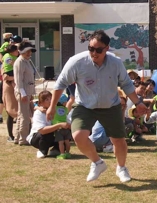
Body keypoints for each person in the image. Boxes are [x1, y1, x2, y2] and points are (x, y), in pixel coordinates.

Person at [46, 30, 148, 183]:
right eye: (91, 48)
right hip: (85, 106)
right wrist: (52, 106)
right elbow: (60, 84)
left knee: (119, 140)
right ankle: (97, 163)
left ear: (107, 48)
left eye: (98, 50)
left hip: (110, 106)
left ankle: (121, 168)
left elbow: (126, 84)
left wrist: (138, 103)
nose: (94, 53)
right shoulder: (77, 62)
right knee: (78, 136)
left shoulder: (115, 63)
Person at [28, 91, 71, 158]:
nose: (50, 101)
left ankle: (56, 150)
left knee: (66, 132)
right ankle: (42, 151)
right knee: (47, 132)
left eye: (51, 99)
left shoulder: (58, 110)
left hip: (53, 135)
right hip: (37, 137)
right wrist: (59, 125)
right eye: (47, 99)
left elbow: (67, 121)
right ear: (41, 103)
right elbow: (42, 130)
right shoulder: (39, 112)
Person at [13, 41, 37, 146]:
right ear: (21, 51)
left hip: (27, 91)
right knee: (24, 116)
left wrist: (30, 93)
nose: (29, 53)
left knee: (21, 115)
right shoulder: (20, 62)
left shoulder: (27, 61)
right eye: (27, 51)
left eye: (30, 51)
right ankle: (23, 139)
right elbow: (18, 80)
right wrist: (23, 93)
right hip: (22, 92)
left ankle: (18, 137)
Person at [1, 44, 19, 142]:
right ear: (12, 51)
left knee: (13, 113)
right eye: (17, 51)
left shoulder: (6, 56)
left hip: (12, 83)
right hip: (9, 84)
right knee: (11, 111)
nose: (18, 52)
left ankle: (13, 135)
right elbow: (6, 76)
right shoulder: (10, 57)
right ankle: (11, 135)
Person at [52, 94, 72, 159]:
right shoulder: (65, 109)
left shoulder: (54, 108)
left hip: (58, 128)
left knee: (61, 142)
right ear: (63, 102)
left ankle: (62, 154)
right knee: (67, 141)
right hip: (66, 127)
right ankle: (68, 153)